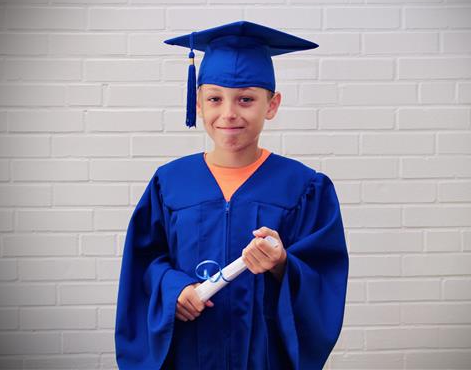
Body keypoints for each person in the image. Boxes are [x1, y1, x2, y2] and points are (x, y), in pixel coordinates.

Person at [114, 20, 349, 369]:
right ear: (199, 103)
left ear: (271, 105)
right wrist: (173, 289)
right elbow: (144, 263)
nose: (228, 113)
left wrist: (283, 263)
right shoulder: (170, 182)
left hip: (264, 359)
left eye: (246, 99)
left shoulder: (304, 187)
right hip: (189, 356)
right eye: (214, 99)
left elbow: (324, 278)